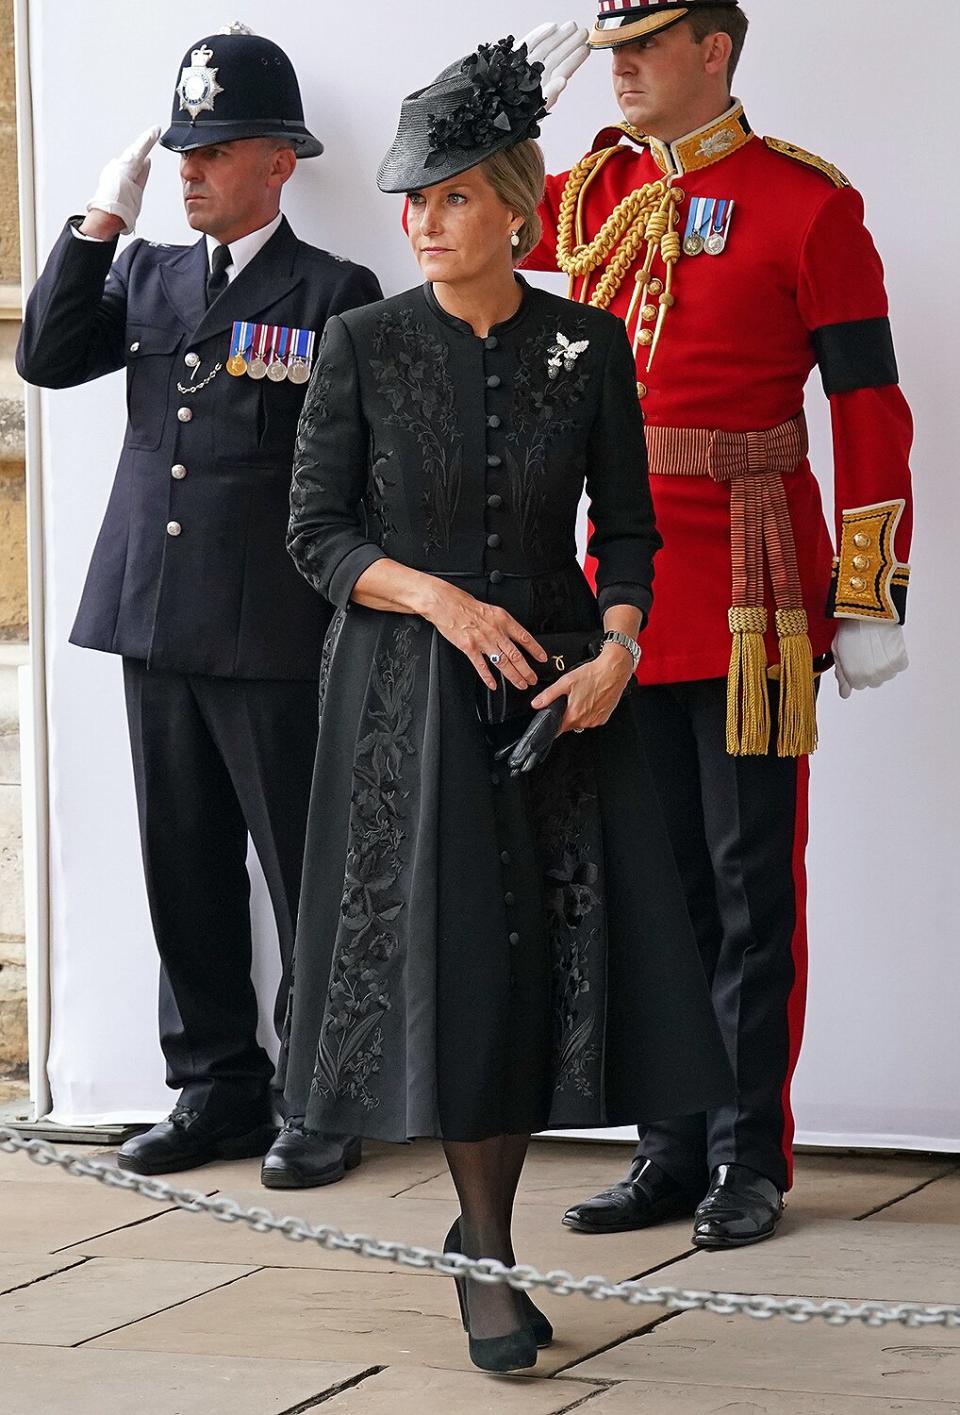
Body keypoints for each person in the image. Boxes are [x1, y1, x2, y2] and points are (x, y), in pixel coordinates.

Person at [274, 35, 734, 1374]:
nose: (423, 222)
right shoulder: (360, 342)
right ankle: (483, 1255)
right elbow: (315, 535)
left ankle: (492, 1234)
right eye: (412, 200)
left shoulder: (587, 344)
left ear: (515, 206)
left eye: (453, 197)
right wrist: (435, 598)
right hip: (405, 703)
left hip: (558, 708)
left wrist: (620, 649)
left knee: (537, 973)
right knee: (461, 968)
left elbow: (632, 533)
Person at [523, 2, 914, 1246]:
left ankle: (750, 1153)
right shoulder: (590, 191)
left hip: (752, 589)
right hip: (620, 594)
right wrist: (493, 96)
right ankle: (669, 1145)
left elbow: (871, 410)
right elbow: (459, 203)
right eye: (610, 47)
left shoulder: (810, 205)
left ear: (715, 52)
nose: (621, 67)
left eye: (645, 42)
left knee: (750, 890)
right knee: (648, 886)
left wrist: (868, 590)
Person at [16, 25, 382, 1181]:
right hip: (154, 611)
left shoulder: (334, 290)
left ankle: (325, 1094)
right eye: (182, 148)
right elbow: (45, 357)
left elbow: (358, 470)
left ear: (279, 160)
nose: (190, 169)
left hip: (272, 626)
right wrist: (97, 223)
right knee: (182, 863)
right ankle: (216, 1085)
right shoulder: (148, 272)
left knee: (300, 866)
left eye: (215, 150)